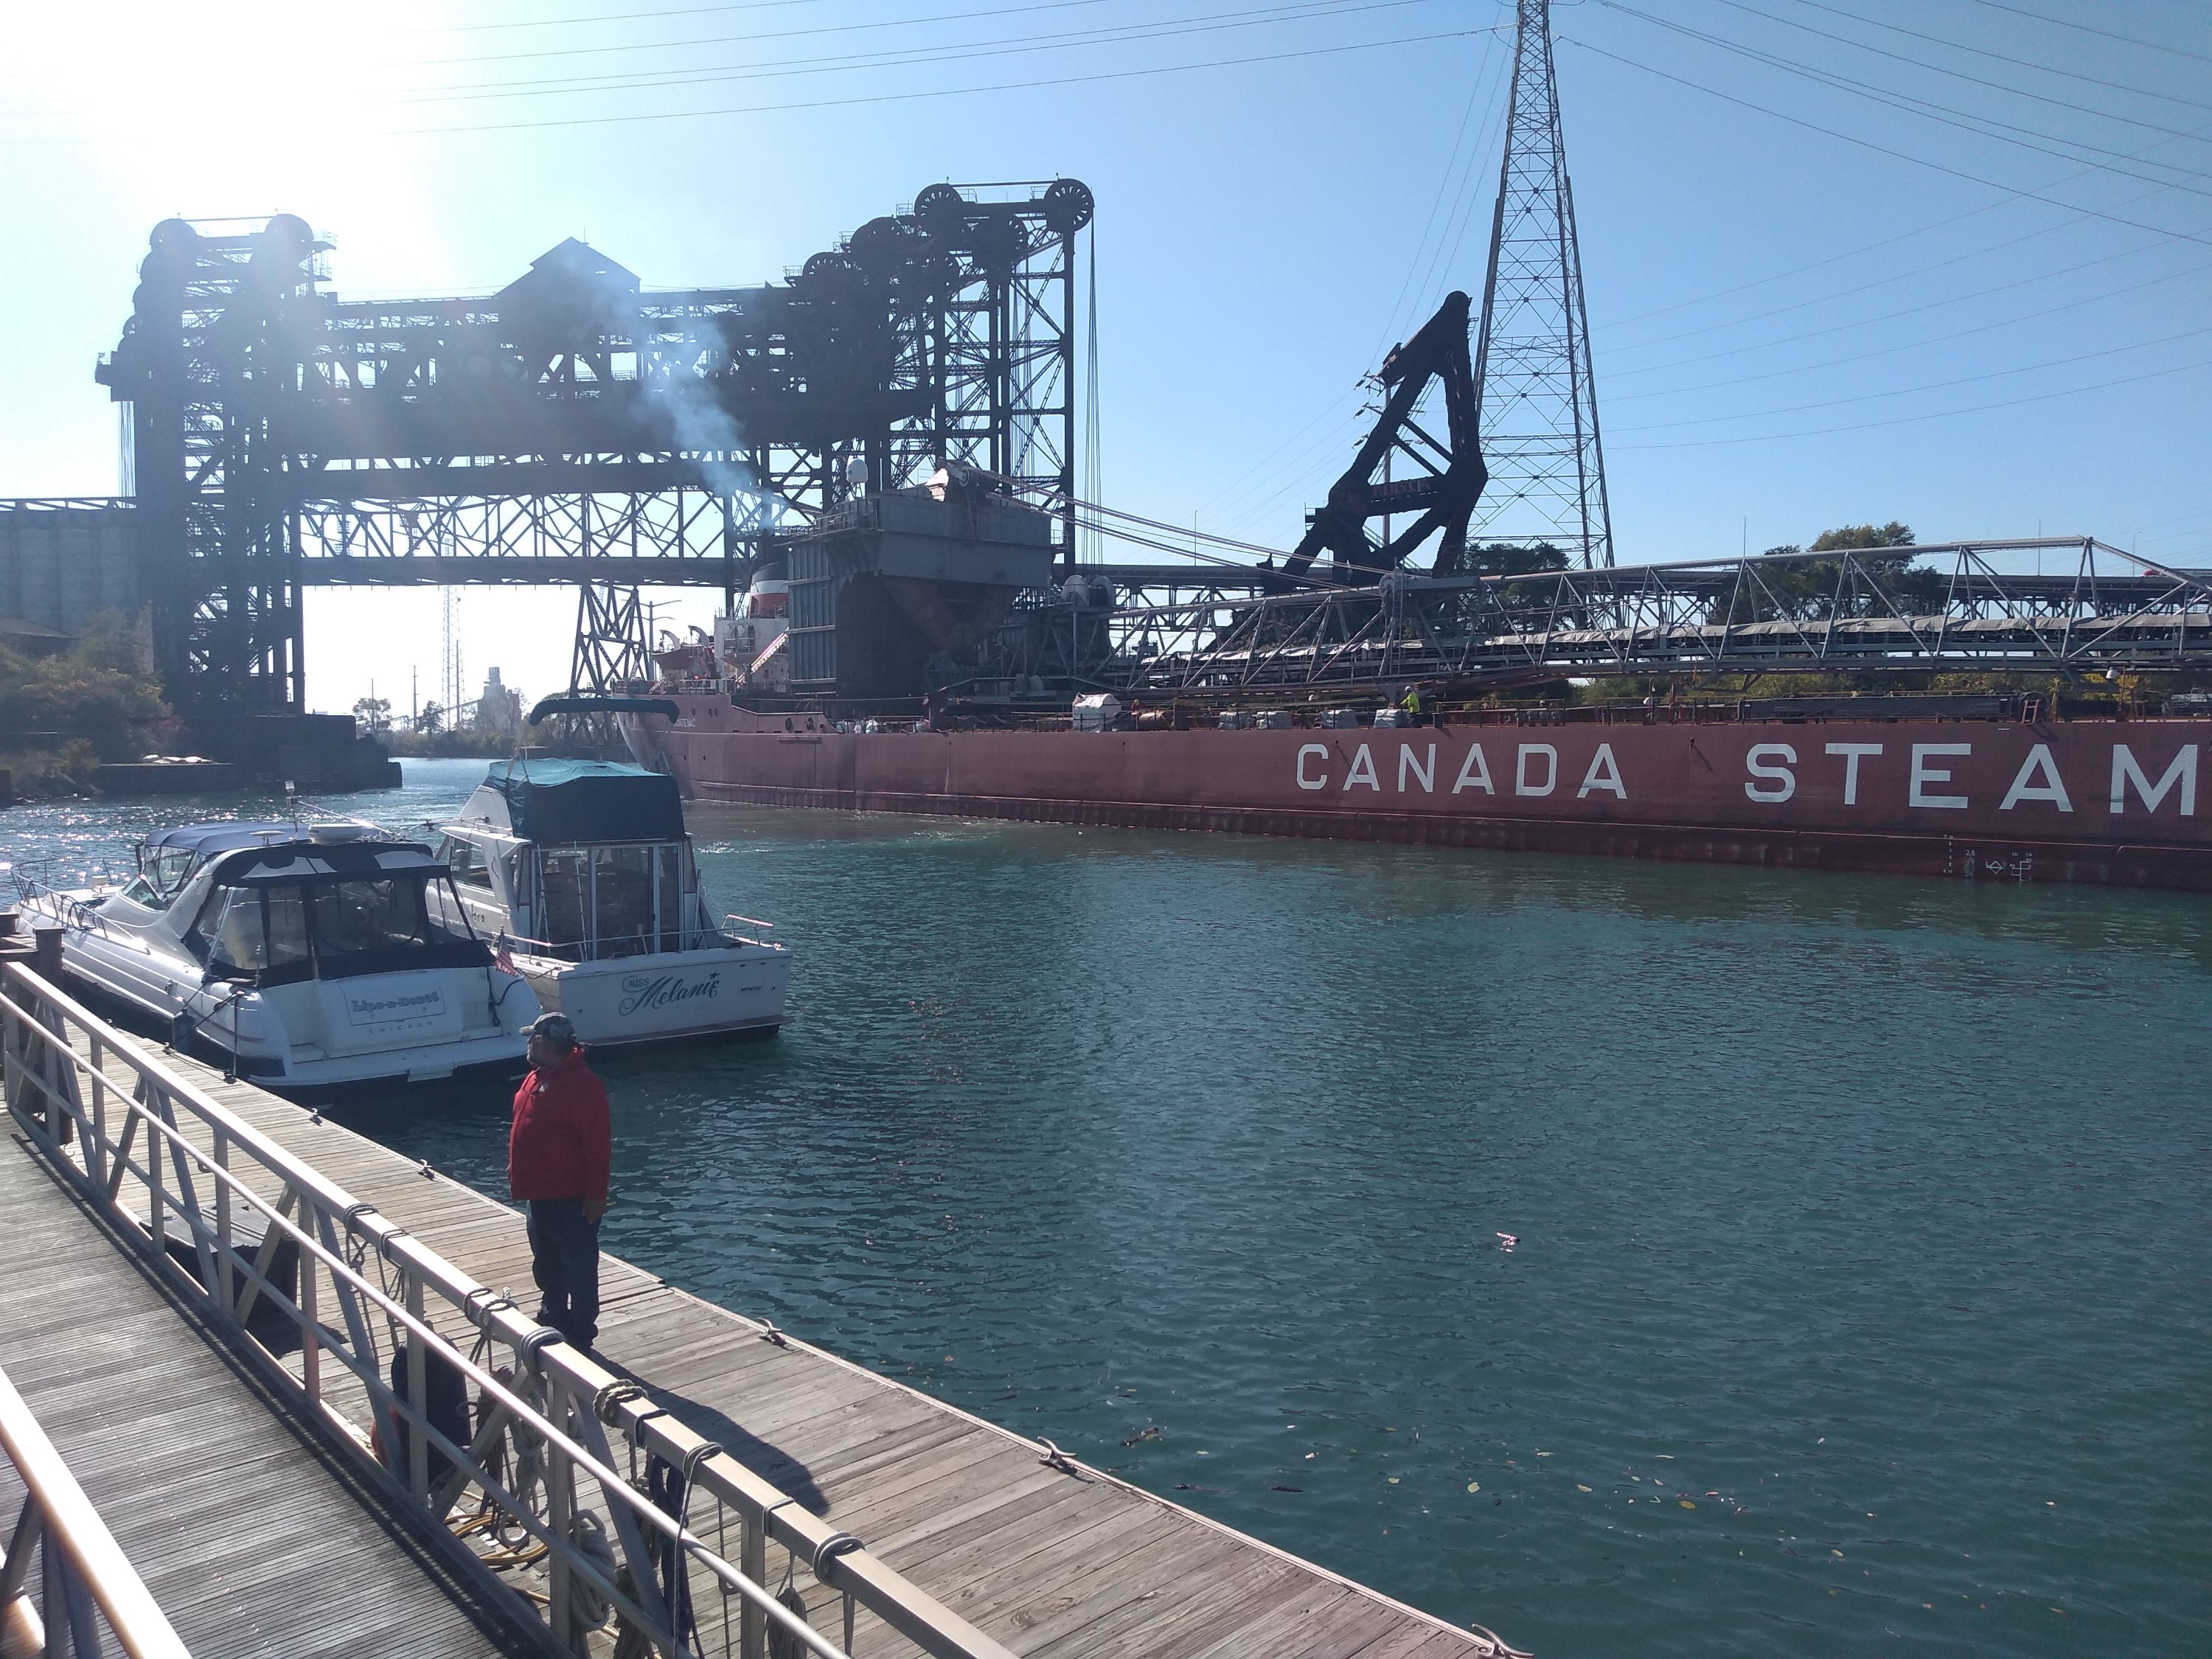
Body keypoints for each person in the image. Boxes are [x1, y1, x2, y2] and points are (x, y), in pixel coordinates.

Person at [509, 1012, 611, 1349]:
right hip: (538, 1194)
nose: (528, 1042)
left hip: (571, 1197)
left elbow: (597, 1145)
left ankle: (581, 1331)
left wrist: (596, 1196)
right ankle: (553, 1314)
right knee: (546, 1260)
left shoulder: (583, 1084)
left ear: (547, 1042)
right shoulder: (536, 1076)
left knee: (579, 1266)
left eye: (533, 1037)